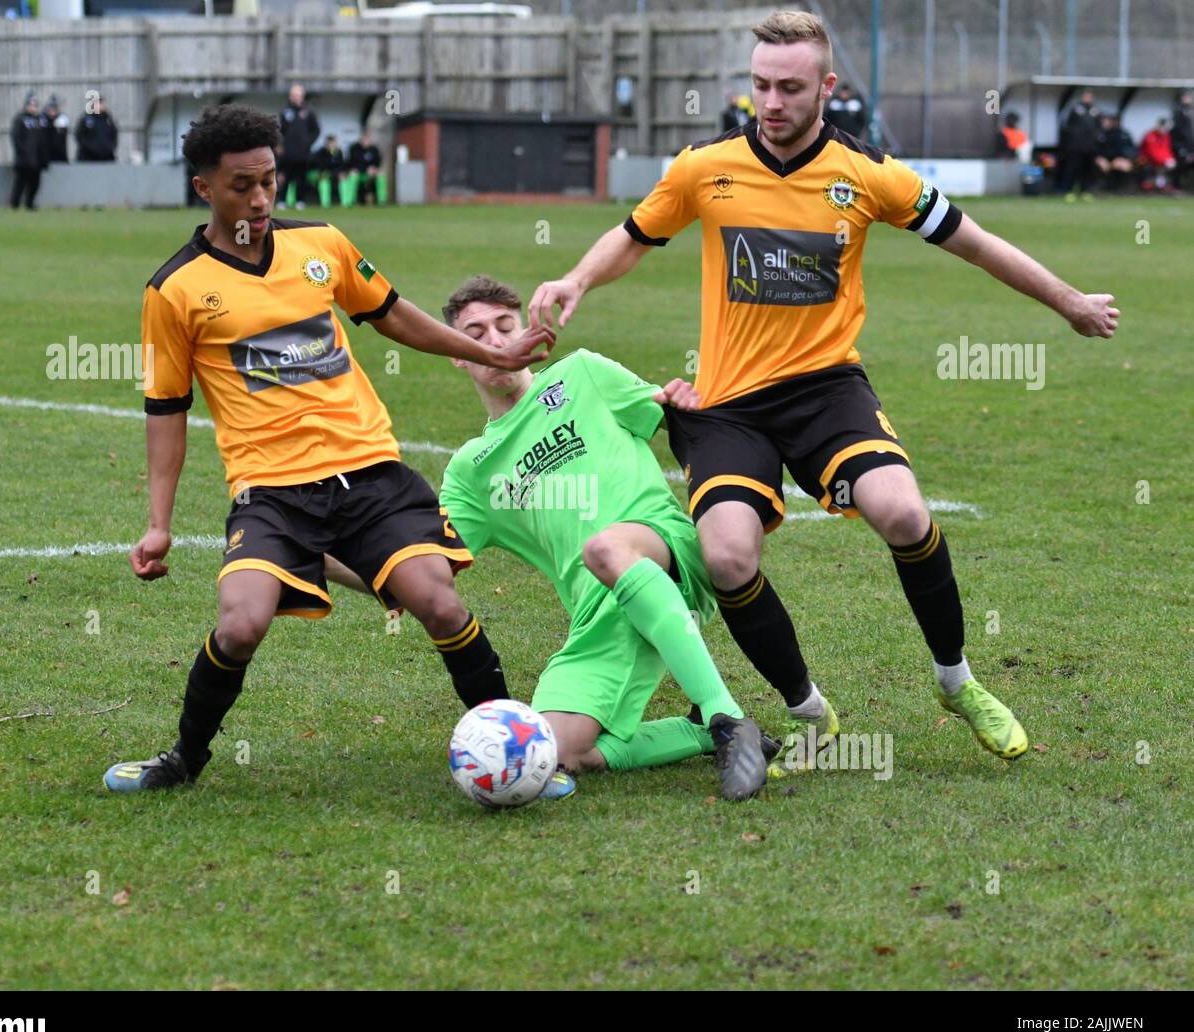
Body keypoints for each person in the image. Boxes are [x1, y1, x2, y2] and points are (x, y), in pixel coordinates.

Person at [528, 10, 1120, 768]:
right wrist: (576, 276)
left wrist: (1069, 302)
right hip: (728, 403)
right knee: (728, 557)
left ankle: (956, 680)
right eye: (760, 86)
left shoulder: (868, 174)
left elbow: (976, 243)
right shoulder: (702, 168)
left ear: (826, 87)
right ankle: (811, 710)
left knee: (904, 511)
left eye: (789, 88)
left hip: (826, 391)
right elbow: (634, 236)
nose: (771, 103)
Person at [102, 105, 553, 793]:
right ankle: (184, 759)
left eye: (270, 179)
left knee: (439, 603)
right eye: (241, 184)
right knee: (242, 622)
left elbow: (395, 314)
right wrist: (158, 522)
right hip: (271, 492)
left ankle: (518, 759)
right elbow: (166, 407)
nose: (259, 196)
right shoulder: (176, 289)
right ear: (203, 188)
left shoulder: (322, 244)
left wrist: (487, 347)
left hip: (370, 471)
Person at [434, 275, 781, 801]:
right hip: (597, 612)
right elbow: (424, 559)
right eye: (474, 334)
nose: (495, 342)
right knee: (557, 752)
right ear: (455, 354)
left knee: (604, 547)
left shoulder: (582, 375)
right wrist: (320, 557)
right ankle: (697, 732)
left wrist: (688, 409)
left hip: (664, 549)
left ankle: (726, 719)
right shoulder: (471, 471)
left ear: (526, 328)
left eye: (505, 326)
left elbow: (674, 416)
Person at [278, 83, 319, 208]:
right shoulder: (285, 112)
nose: (295, 97)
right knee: (286, 177)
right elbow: (279, 130)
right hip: (288, 152)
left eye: (297, 95)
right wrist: (280, 144)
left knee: (301, 178)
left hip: (303, 152)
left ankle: (300, 201)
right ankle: (282, 201)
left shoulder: (309, 113)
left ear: (302, 96)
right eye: (293, 95)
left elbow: (316, 130)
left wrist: (308, 142)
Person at [1059, 90, 1101, 199]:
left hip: (1090, 147)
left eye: (1089, 96)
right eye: (1085, 96)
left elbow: (1099, 128)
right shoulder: (1075, 109)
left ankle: (1085, 191)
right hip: (1076, 146)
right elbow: (1068, 126)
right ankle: (1070, 191)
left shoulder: (1095, 111)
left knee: (1087, 170)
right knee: (1072, 169)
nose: (1087, 98)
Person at [9, 93, 47, 209]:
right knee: (20, 183)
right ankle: (15, 204)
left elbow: (43, 140)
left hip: (37, 159)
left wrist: (43, 157)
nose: (33, 108)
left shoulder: (40, 120)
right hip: (24, 159)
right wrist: (22, 153)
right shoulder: (20, 119)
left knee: (35, 183)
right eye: (31, 105)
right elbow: (16, 138)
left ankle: (30, 203)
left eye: (35, 105)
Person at [1093, 114, 1135, 192]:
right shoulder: (1104, 134)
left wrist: (1126, 158)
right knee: (1100, 165)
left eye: (1116, 121)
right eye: (1113, 121)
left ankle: (1124, 188)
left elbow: (1131, 149)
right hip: (1106, 159)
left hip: (1120, 159)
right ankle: (1101, 187)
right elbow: (1097, 149)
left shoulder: (1125, 134)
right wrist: (1100, 158)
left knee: (1124, 166)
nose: (1115, 123)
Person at [1138, 117, 1177, 192]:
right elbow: (1151, 152)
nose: (1165, 129)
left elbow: (1167, 149)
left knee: (1170, 165)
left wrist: (1169, 159)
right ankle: (1154, 185)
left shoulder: (1166, 136)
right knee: (1158, 167)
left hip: (1160, 160)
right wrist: (1163, 161)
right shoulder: (1150, 135)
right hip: (1146, 159)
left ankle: (1160, 185)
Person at [75, 95, 118, 162]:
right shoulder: (86, 119)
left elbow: (114, 135)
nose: (99, 106)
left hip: (106, 157)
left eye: (100, 103)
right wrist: (91, 149)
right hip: (89, 158)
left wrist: (110, 148)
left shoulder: (108, 119)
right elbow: (80, 136)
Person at [311, 133, 347, 206]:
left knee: (343, 180)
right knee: (324, 181)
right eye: (330, 143)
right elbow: (318, 166)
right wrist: (322, 173)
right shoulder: (320, 152)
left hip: (333, 173)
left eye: (334, 143)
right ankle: (325, 203)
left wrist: (340, 173)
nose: (332, 145)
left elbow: (341, 166)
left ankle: (345, 203)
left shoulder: (339, 152)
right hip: (321, 174)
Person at [348, 131, 382, 204]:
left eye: (367, 140)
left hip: (370, 173)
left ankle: (382, 201)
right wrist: (357, 169)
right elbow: (352, 163)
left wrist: (373, 168)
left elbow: (377, 162)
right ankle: (351, 201)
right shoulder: (354, 149)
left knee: (381, 175)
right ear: (360, 140)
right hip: (358, 173)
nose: (365, 142)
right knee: (352, 175)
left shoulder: (374, 149)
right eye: (364, 140)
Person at [1171, 91, 1194, 190]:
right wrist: (1185, 149)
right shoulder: (1179, 112)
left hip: (1190, 146)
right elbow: (1180, 132)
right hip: (1181, 146)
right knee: (1180, 165)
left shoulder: (1190, 112)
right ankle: (1176, 187)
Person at [43, 94, 69, 165]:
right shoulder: (43, 121)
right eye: (51, 109)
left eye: (54, 108)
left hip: (60, 157)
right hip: (46, 157)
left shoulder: (62, 120)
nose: (52, 111)